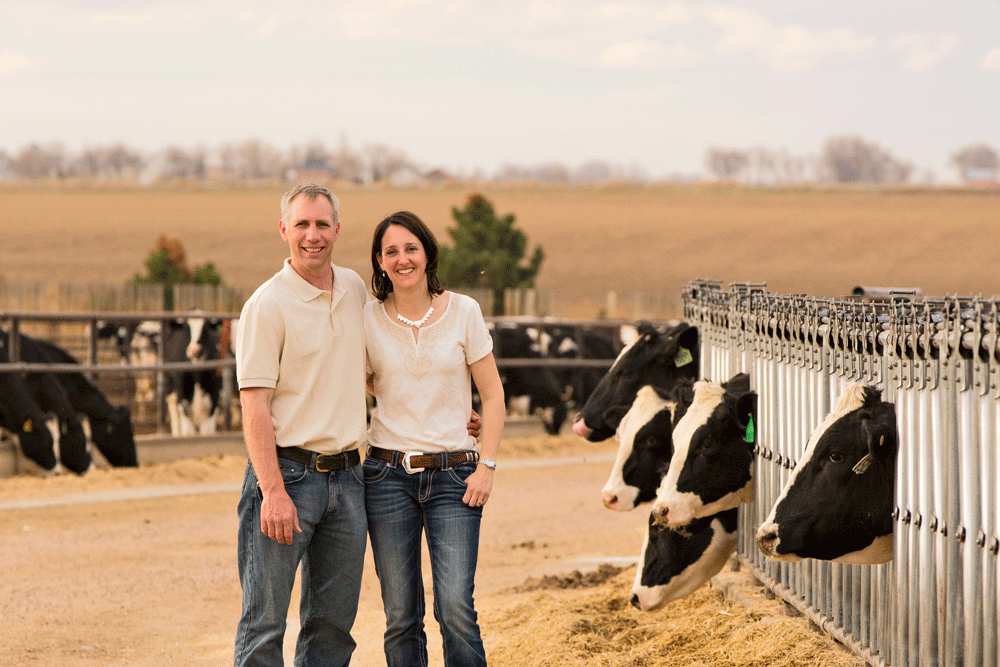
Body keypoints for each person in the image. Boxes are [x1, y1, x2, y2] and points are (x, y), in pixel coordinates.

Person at [233, 183, 369, 667]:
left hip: (351, 481)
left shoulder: (355, 288)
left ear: (337, 229)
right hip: (287, 477)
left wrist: (452, 407)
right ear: (283, 230)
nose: (313, 235)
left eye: (322, 224)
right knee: (264, 623)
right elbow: (254, 406)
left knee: (333, 628)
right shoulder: (266, 306)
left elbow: (378, 369)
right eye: (302, 225)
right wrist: (271, 491)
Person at [363, 210, 505, 667]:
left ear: (427, 254)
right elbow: (364, 380)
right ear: (380, 263)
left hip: (456, 478)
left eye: (411, 248)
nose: (402, 259)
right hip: (386, 477)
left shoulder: (464, 311)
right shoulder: (367, 319)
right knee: (401, 615)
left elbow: (495, 394)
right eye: (391, 252)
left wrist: (487, 466)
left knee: (456, 609)